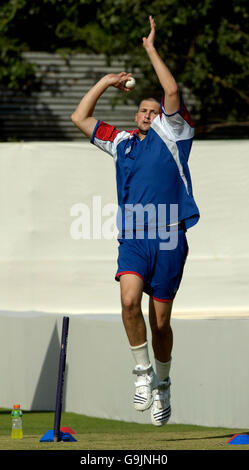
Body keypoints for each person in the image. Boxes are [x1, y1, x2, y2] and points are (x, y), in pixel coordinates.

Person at [71, 16, 199, 426]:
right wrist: (106, 82)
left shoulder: (173, 133)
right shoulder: (122, 142)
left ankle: (163, 382)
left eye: (153, 109)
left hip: (169, 236)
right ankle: (142, 373)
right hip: (134, 237)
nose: (147, 113)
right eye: (141, 109)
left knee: (161, 322)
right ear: (135, 115)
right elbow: (79, 118)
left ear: (161, 116)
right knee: (128, 301)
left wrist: (149, 50)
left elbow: (172, 90)